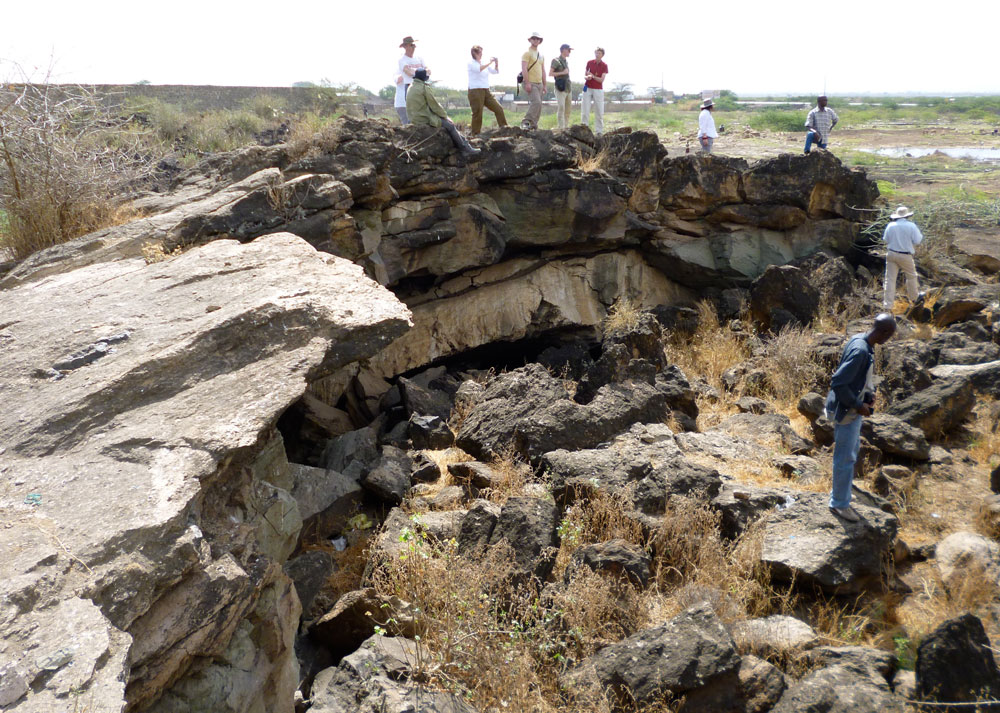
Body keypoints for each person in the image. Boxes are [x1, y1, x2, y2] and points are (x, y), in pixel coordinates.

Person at [824, 314, 897, 522]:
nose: (888, 339)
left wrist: (867, 395)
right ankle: (839, 504)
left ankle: (842, 494)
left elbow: (856, 378)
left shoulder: (860, 339)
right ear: (883, 333)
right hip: (847, 412)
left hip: (851, 409)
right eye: (889, 335)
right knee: (845, 458)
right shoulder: (860, 351)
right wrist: (858, 405)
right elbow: (838, 382)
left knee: (851, 453)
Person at [406, 69, 481, 158]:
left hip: (414, 118)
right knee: (450, 126)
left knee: (447, 124)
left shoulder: (411, 86)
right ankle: (465, 148)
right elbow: (434, 105)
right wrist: (445, 116)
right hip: (424, 118)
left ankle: (466, 145)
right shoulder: (424, 87)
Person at [882, 206, 924, 309]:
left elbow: (886, 240)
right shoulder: (911, 226)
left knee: (890, 279)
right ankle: (914, 300)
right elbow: (918, 241)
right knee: (911, 277)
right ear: (907, 216)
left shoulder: (890, 225)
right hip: (905, 255)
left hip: (891, 253)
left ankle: (887, 306)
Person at [468, 46, 507, 135]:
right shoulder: (471, 63)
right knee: (478, 113)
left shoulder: (483, 63)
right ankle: (475, 134)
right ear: (474, 53)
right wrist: (490, 62)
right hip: (475, 90)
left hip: (486, 90)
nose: (481, 54)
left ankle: (505, 129)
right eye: (480, 52)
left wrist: (496, 63)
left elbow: (495, 72)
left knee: (498, 109)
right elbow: (479, 69)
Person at [395, 36, 426, 125]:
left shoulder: (419, 58)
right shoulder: (402, 60)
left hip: (421, 86)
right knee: (410, 117)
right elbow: (407, 72)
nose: (413, 47)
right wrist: (419, 73)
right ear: (405, 47)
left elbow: (428, 70)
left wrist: (420, 73)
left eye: (414, 45)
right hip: (410, 86)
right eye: (411, 45)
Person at [521, 32, 546, 130]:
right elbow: (524, 68)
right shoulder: (527, 53)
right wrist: (527, 82)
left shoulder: (541, 55)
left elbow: (543, 70)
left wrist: (545, 85)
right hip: (530, 82)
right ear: (530, 40)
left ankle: (534, 125)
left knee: (539, 106)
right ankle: (526, 122)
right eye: (534, 38)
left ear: (540, 41)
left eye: (538, 39)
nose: (536, 40)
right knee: (536, 102)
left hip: (539, 83)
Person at [581, 47, 608, 136]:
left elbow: (601, 80)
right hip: (587, 87)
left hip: (598, 89)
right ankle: (584, 129)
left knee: (599, 111)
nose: (597, 54)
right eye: (596, 53)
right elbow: (585, 75)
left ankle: (599, 131)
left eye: (599, 53)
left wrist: (593, 76)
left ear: (602, 55)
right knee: (585, 109)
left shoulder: (604, 65)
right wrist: (588, 77)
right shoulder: (589, 62)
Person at [549, 44, 573, 129]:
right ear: (563, 50)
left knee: (568, 109)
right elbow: (550, 73)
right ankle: (561, 127)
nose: (570, 52)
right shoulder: (556, 60)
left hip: (568, 87)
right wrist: (562, 73)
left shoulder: (565, 61)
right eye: (568, 50)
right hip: (560, 87)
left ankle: (566, 126)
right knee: (561, 107)